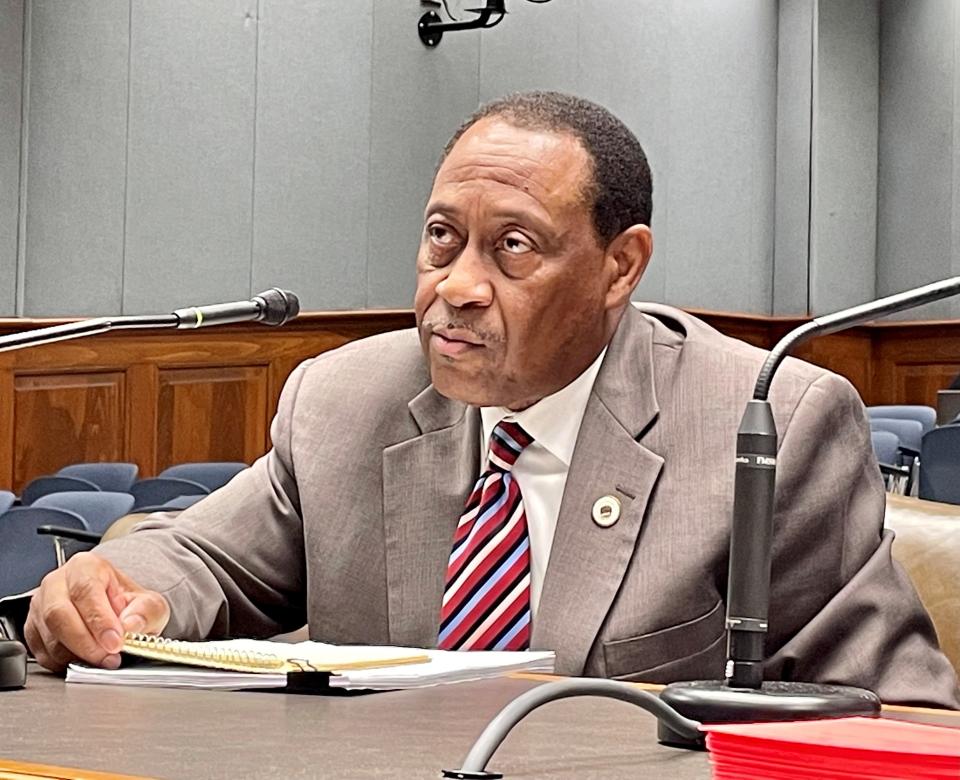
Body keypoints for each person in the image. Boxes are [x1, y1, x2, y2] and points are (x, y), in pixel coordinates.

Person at [24, 92, 960, 708]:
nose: (458, 286)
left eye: (514, 247)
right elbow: (204, 561)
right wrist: (125, 593)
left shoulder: (770, 423)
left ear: (619, 267)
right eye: (442, 238)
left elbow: (898, 714)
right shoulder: (346, 399)